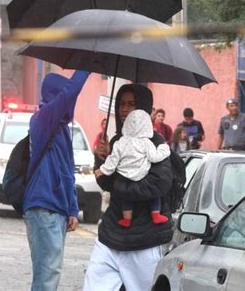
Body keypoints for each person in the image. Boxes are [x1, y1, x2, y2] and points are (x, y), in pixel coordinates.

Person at [84, 84, 174, 291]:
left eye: (131, 104)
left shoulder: (155, 142)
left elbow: (159, 184)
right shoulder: (117, 141)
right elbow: (105, 183)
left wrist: (118, 185)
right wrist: (101, 160)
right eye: (122, 104)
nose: (125, 109)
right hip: (110, 235)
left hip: (144, 240)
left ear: (143, 108)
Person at [23, 70, 90, 290]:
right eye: (64, 96)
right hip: (43, 207)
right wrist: (86, 65)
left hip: (58, 210)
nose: (70, 102)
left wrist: (72, 209)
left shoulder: (62, 129)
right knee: (47, 276)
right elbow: (72, 91)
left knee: (50, 274)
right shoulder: (43, 119)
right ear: (55, 95)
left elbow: (68, 171)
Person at [94, 109, 171, 228]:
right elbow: (154, 157)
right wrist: (164, 149)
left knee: (126, 198)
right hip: (142, 173)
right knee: (155, 196)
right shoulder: (147, 142)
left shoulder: (120, 142)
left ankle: (126, 219)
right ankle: (155, 214)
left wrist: (102, 170)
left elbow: (113, 161)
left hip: (124, 176)